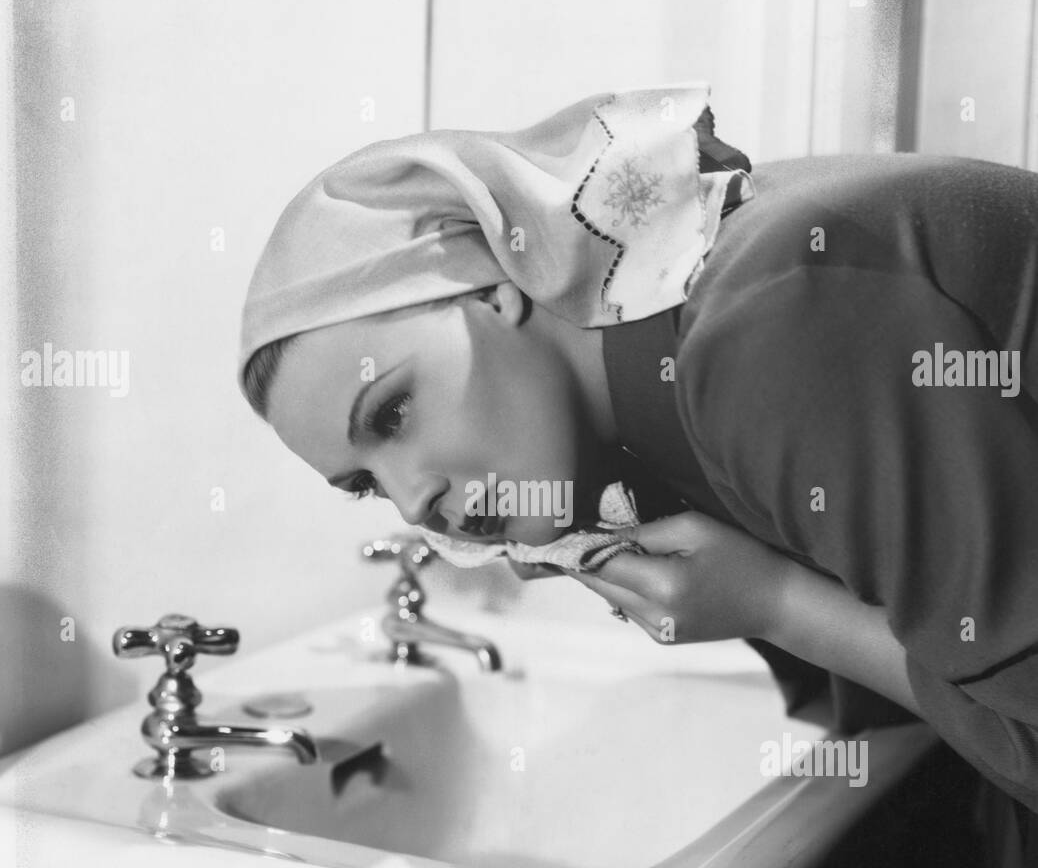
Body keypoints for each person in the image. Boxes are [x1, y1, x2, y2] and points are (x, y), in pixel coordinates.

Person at [237, 84, 1038, 815]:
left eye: (394, 411)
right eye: (367, 485)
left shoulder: (760, 331)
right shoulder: (665, 388)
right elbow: (913, 687)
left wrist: (775, 604)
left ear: (493, 286)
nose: (414, 504)